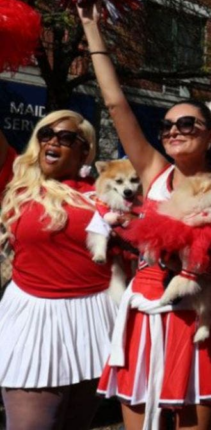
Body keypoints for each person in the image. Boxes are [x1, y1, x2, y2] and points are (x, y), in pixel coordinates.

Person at [77, 3, 211, 430]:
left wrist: (210, 256)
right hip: (144, 312)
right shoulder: (154, 174)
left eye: (187, 124)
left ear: (209, 135)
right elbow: (114, 101)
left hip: (195, 318)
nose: (174, 131)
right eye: (167, 126)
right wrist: (91, 28)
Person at [0, 111, 116, 430]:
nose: (53, 141)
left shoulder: (105, 193)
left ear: (84, 150)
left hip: (94, 321)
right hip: (33, 321)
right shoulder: (17, 183)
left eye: (66, 137)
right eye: (46, 133)